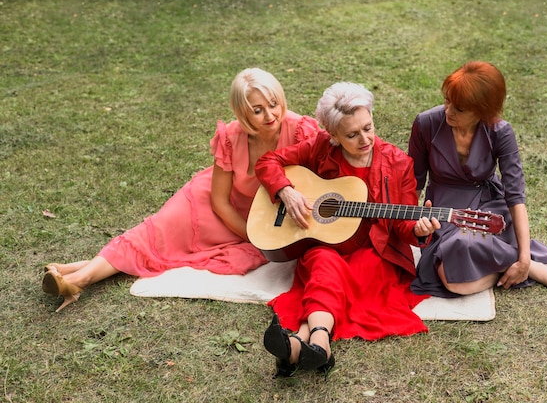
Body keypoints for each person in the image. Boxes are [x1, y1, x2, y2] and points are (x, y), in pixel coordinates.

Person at [42, 68, 320, 312]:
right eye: (257, 110)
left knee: (160, 246)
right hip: (217, 205)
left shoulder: (300, 130)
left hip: (268, 215)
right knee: (153, 232)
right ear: (242, 112)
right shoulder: (231, 136)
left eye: (273, 104)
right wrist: (250, 235)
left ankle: (73, 274)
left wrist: (264, 233)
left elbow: (321, 181)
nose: (270, 115)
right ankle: (79, 280)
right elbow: (220, 201)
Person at [256, 82, 440, 378]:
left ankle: (302, 342)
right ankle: (320, 348)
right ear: (333, 136)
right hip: (328, 244)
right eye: (352, 135)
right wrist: (286, 191)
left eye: (368, 127)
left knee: (339, 274)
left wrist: (419, 230)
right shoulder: (320, 147)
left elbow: (403, 227)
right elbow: (268, 162)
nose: (365, 139)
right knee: (323, 262)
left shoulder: (398, 164)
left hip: (374, 251)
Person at [408, 61, 547, 299]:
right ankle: (522, 267)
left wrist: (525, 258)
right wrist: (409, 225)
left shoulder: (500, 131)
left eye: (460, 108)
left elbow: (515, 196)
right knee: (452, 279)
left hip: (487, 205)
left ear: (483, 112)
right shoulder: (425, 123)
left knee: (462, 260)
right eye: (447, 100)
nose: (448, 111)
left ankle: (517, 262)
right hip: (444, 208)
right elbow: (412, 183)